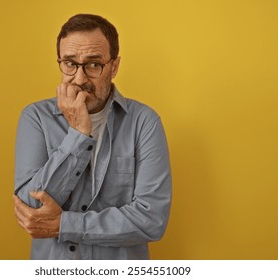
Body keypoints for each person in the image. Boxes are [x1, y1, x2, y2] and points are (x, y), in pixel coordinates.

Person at [13, 13, 172, 260]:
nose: (79, 78)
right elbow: (31, 211)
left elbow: (151, 220)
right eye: (70, 63)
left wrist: (64, 224)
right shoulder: (36, 118)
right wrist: (77, 134)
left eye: (94, 64)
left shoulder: (144, 122)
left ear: (114, 66)